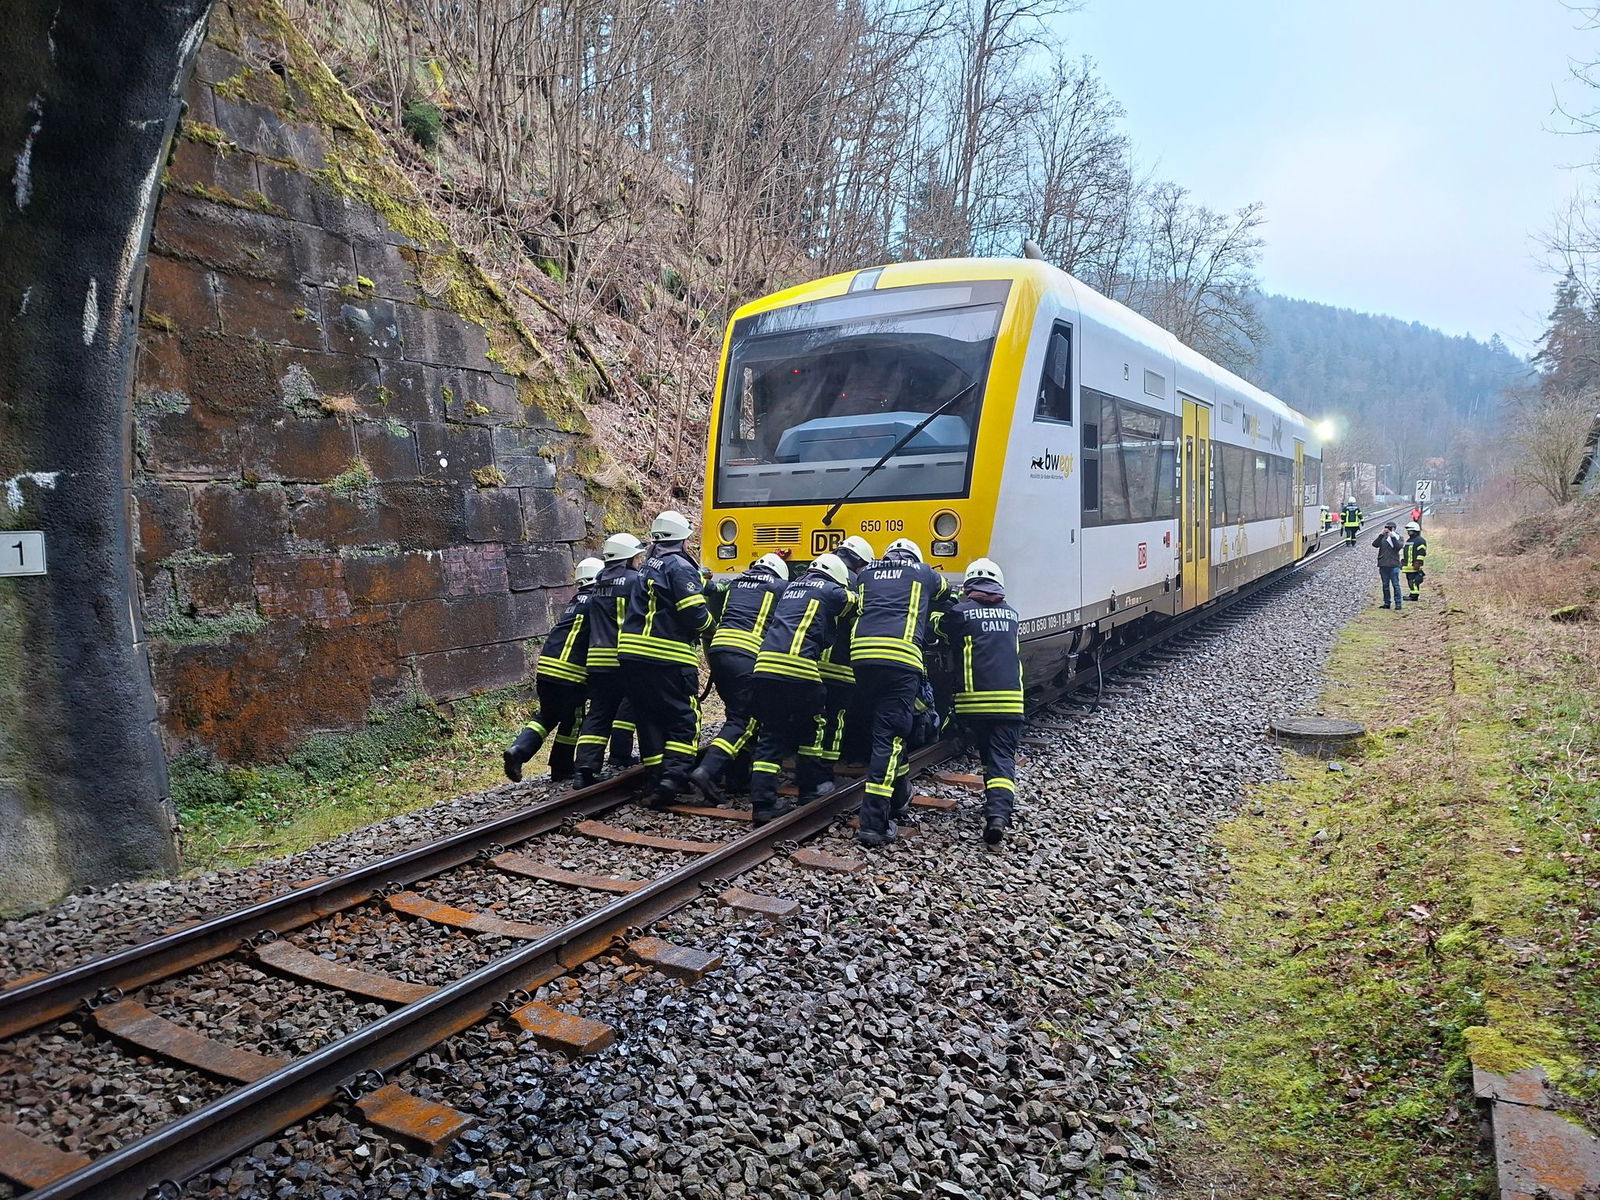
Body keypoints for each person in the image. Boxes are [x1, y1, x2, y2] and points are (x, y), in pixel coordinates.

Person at [851, 537, 953, 848]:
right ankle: (874, 823)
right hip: (900, 660)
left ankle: (899, 795)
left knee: (883, 731)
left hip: (862, 659)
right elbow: (946, 593)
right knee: (890, 738)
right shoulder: (923, 572)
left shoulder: (866, 573)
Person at [747, 553, 858, 825]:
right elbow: (855, 601)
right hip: (799, 668)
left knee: (771, 733)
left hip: (764, 666)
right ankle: (810, 789)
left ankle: (762, 804)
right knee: (813, 727)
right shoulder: (831, 589)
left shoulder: (790, 587)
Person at [618, 510, 714, 809]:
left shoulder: (646, 566)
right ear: (684, 540)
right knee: (684, 718)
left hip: (631, 656)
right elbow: (694, 613)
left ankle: (655, 779)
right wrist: (712, 627)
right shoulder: (679, 566)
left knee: (649, 718)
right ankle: (673, 780)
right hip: (667, 655)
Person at [935, 558, 1025, 846]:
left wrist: (946, 602)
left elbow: (938, 629)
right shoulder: (1012, 615)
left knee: (987, 753)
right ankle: (998, 814)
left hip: (973, 703)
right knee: (1002, 758)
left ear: (968, 586)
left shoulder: (960, 613)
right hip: (1010, 702)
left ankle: (994, 806)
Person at [688, 552, 790, 804]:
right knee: (747, 719)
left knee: (735, 712)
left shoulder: (737, 582)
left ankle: (737, 777)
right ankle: (707, 770)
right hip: (746, 654)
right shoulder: (779, 586)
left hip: (718, 652)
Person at [503, 556, 604, 783]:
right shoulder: (597, 601)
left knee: (548, 714)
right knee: (573, 720)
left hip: (546, 669)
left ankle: (518, 750)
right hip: (570, 674)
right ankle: (562, 767)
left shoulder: (575, 602)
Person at [573, 532, 645, 786]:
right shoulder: (635, 581)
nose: (640, 561)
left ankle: (584, 768)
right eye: (637, 557)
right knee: (636, 705)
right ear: (627, 558)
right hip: (624, 658)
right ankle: (630, 756)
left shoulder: (599, 581)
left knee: (599, 713)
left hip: (596, 661)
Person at [805, 534, 877, 787]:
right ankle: (826, 771)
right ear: (861, 563)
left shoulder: (814, 579)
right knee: (837, 720)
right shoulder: (858, 583)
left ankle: (808, 770)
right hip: (840, 665)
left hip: (812, 664)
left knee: (814, 719)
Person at [1372, 521, 1404, 610]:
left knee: (1396, 585)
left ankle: (1398, 603)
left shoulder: (1398, 537)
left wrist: (1392, 537)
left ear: (1394, 529)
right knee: (1385, 585)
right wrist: (1381, 535)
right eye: (1386, 528)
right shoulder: (1383, 537)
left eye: (1390, 528)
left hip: (1394, 564)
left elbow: (1398, 547)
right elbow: (1375, 544)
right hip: (1383, 564)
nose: (1388, 530)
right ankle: (1387, 603)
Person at [1401, 520, 1428, 604]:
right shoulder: (1409, 540)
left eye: (1410, 530)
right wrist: (1403, 561)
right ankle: (1411, 594)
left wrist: (1418, 562)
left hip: (1414, 566)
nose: (1408, 532)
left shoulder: (1420, 541)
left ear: (1415, 531)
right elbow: (1407, 553)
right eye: (1408, 530)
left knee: (1413, 582)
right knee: (1410, 581)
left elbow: (1421, 552)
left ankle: (1414, 596)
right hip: (1408, 566)